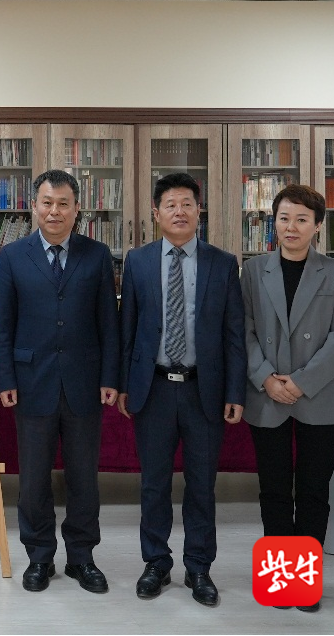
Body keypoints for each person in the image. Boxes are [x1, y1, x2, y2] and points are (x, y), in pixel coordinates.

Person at [117, 172, 246, 608]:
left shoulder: (222, 263)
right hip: (152, 388)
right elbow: (127, 328)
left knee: (201, 485)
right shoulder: (137, 261)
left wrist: (235, 391)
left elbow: (233, 334)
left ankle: (199, 567)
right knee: (153, 484)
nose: (179, 212)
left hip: (202, 390)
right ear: (156, 213)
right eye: (170, 205)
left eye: (187, 204)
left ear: (199, 211)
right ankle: (156, 562)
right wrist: (124, 385)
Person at [0, 169, 119, 593]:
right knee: (33, 480)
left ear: (77, 209)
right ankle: (39, 556)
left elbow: (109, 322)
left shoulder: (97, 255)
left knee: (84, 478)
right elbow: (3, 324)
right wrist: (6, 377)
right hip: (31, 381)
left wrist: (110, 376)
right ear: (34, 206)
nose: (54, 211)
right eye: (47, 203)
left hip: (85, 381)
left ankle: (82, 557)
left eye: (63, 204)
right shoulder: (13, 256)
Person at [241, 184, 334, 613]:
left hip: (319, 394)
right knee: (273, 490)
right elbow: (243, 330)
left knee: (312, 490)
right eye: (284, 218)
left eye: (302, 219)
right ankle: (280, 580)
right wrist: (265, 378)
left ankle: (303, 583)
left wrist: (302, 382)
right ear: (274, 222)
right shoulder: (254, 270)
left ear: (317, 226)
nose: (291, 227)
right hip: (267, 393)